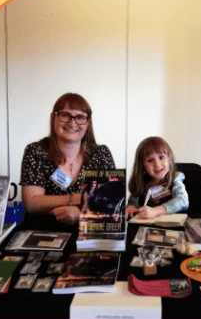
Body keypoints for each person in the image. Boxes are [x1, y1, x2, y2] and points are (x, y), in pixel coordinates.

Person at [20, 93, 115, 223]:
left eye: (80, 117)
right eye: (65, 115)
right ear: (53, 118)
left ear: (88, 123)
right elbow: (32, 203)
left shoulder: (101, 153)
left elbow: (111, 202)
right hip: (45, 232)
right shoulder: (36, 151)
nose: (72, 123)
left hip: (89, 234)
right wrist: (77, 199)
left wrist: (80, 214)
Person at [126, 136, 189, 219]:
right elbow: (133, 206)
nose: (157, 164)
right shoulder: (141, 182)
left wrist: (155, 211)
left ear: (169, 160)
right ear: (143, 165)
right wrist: (131, 208)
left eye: (161, 157)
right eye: (150, 160)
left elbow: (183, 201)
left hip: (172, 227)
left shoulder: (175, 178)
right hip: (147, 227)